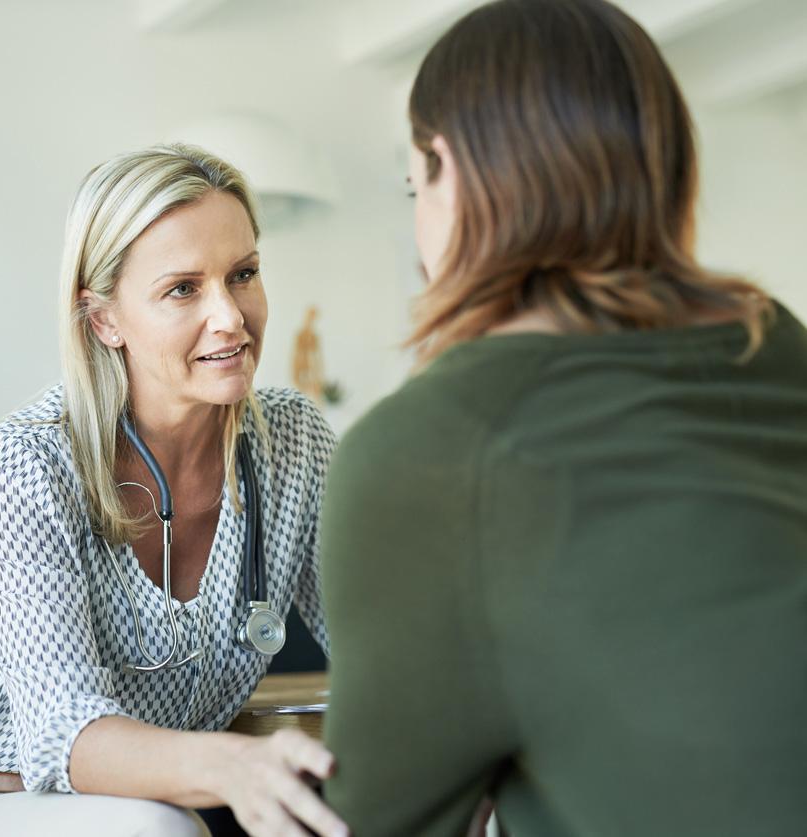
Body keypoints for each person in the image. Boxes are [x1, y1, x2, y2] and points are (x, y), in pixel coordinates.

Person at [320, 1, 807, 835]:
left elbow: (372, 822)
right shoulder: (778, 342)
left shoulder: (424, 448)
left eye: (415, 183)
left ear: (452, 171)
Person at [0, 144, 347, 837]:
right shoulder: (25, 462)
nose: (231, 317)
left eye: (243, 274)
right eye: (183, 288)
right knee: (160, 827)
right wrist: (236, 764)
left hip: (141, 814)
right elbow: (65, 732)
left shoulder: (293, 444)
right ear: (104, 319)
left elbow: (379, 650)